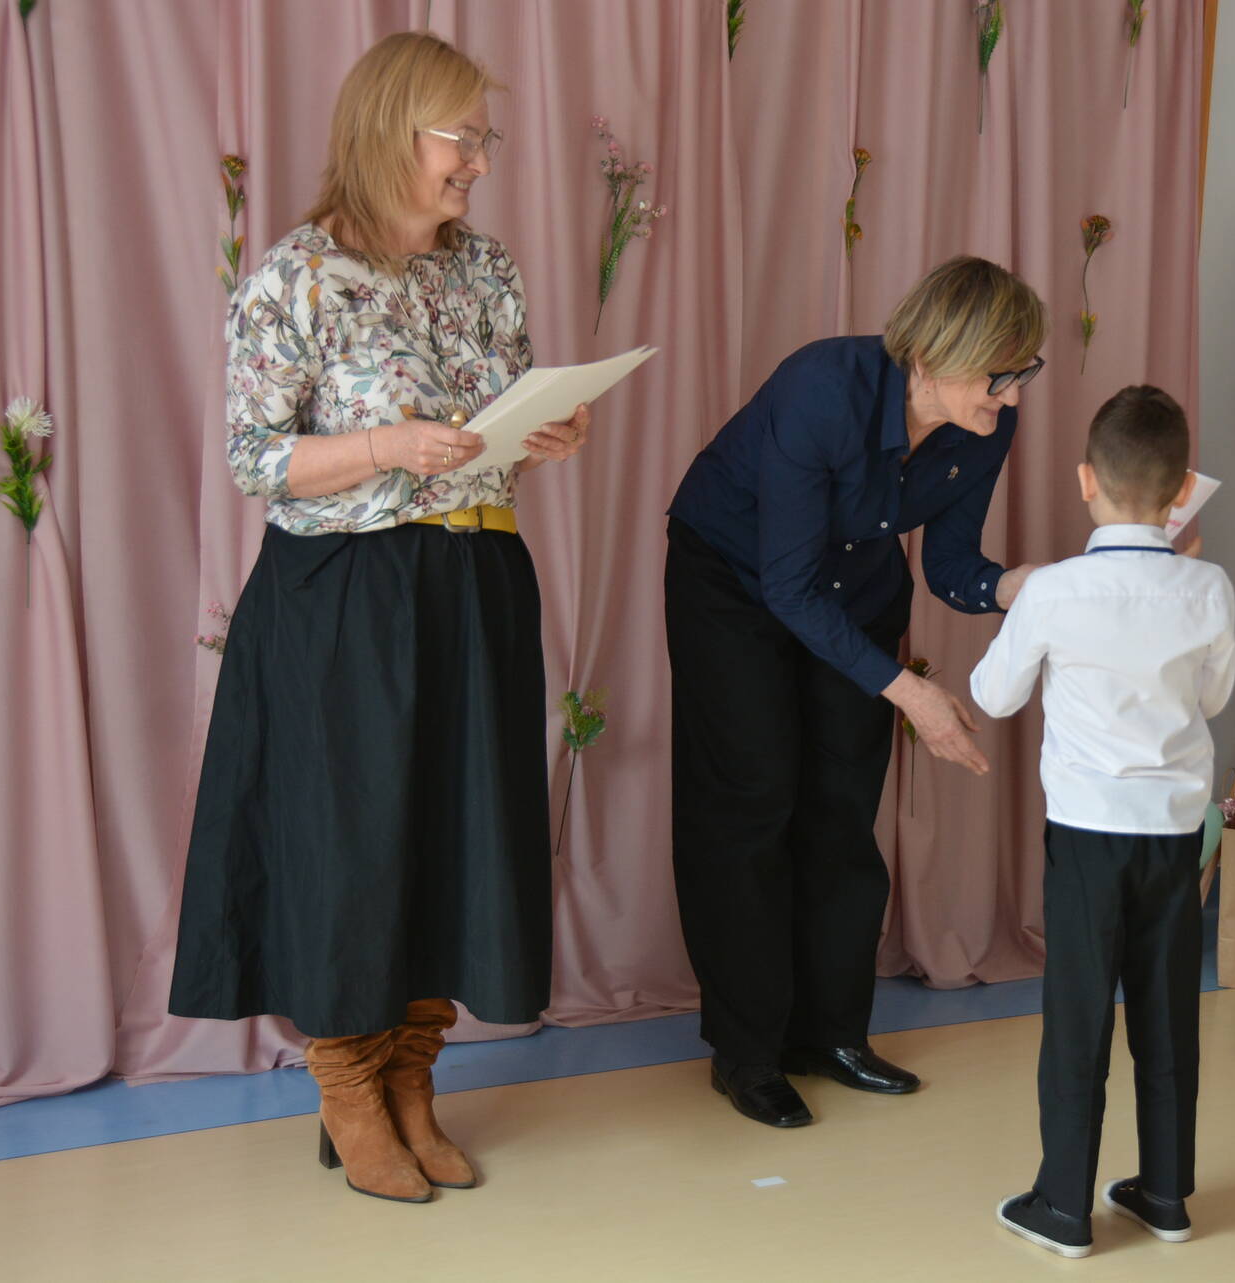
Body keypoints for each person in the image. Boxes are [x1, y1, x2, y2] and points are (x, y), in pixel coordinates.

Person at [169, 32, 595, 1204]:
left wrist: (546, 431)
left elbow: (492, 424)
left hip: (477, 578)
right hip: (344, 593)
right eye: (465, 139)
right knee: (351, 841)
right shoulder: (297, 275)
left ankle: (413, 1079)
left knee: (459, 831)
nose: (481, 163)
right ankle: (348, 1088)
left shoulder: (487, 270)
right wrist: (385, 445)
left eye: (486, 140)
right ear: (392, 132)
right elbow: (257, 458)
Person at [664, 257, 1047, 1128]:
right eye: (1001, 373)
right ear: (939, 356)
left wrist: (1014, 587)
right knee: (752, 799)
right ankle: (747, 1051)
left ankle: (832, 1034)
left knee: (842, 809)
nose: (1014, 394)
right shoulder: (822, 390)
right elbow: (788, 585)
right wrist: (912, 693)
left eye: (1023, 372)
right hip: (734, 583)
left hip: (854, 590)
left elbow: (950, 564)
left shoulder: (984, 425)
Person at [972, 386, 1235, 1258]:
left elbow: (993, 695)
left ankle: (1063, 1204)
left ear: (1086, 479)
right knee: (1168, 1008)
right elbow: (1213, 698)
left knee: (1079, 1014)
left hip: (1088, 830)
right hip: (1175, 829)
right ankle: (1165, 1193)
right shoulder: (1207, 585)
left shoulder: (1054, 589)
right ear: (1183, 488)